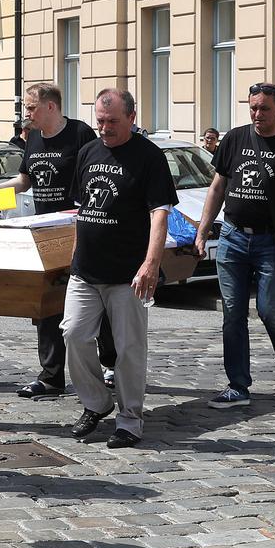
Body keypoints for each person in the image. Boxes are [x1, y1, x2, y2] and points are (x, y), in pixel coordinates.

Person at [63, 89, 176, 449]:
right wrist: (74, 255)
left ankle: (130, 419)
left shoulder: (149, 157)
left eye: (112, 121)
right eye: (100, 120)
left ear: (131, 116)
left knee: (128, 348)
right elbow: (82, 210)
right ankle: (97, 402)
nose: (105, 127)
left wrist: (150, 264)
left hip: (128, 272)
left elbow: (160, 214)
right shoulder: (88, 152)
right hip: (86, 269)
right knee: (73, 334)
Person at [194, 83, 275, 409]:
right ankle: (238, 386)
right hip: (232, 238)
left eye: (265, 109)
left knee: (270, 309)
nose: (258, 114)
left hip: (271, 241)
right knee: (232, 313)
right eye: (253, 108)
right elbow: (218, 187)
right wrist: (203, 232)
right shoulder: (234, 138)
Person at [1, 83, 115, 399]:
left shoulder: (80, 134)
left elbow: (97, 175)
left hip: (80, 230)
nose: (27, 113)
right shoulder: (33, 138)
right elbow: (25, 180)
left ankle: (110, 364)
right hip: (45, 234)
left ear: (51, 107)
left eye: (31, 107)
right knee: (48, 303)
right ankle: (51, 377)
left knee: (96, 301)